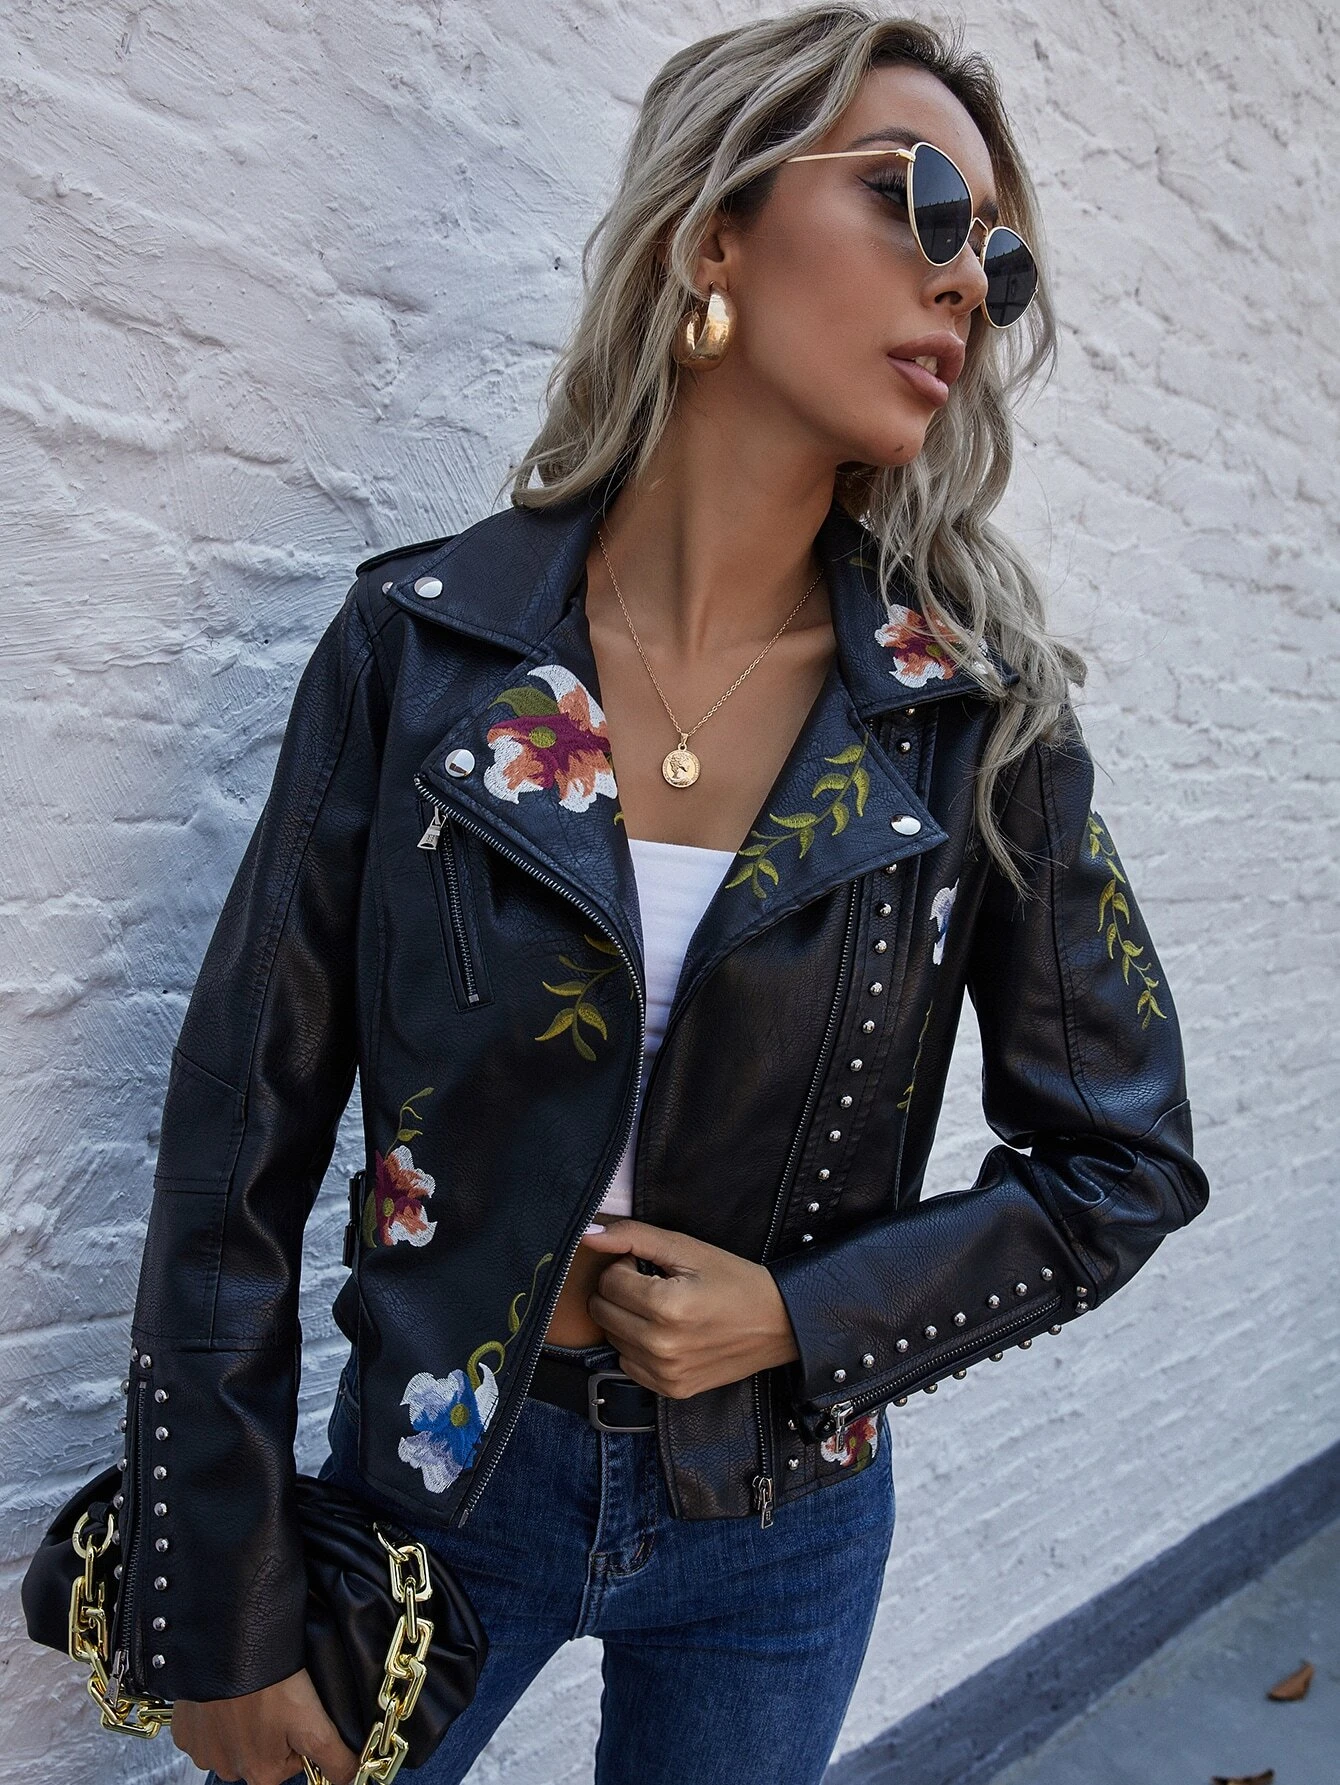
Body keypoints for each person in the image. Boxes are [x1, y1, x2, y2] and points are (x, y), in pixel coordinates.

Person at [113, 8, 1209, 1783]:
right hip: (436, 1491)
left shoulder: (974, 723)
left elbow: (1124, 1161)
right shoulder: (423, 656)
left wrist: (800, 1317)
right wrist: (213, 1596)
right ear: (714, 232)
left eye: (997, 260)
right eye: (918, 202)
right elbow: (235, 1137)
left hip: (783, 1523)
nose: (966, 281)